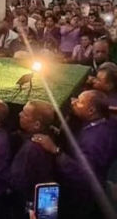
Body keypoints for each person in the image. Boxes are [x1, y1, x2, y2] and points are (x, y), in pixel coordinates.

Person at [35, 90, 117, 219]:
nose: (73, 102)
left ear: (91, 111)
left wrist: (55, 150)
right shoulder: (106, 123)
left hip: (82, 196)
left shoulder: (92, 141)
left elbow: (83, 174)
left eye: (79, 101)